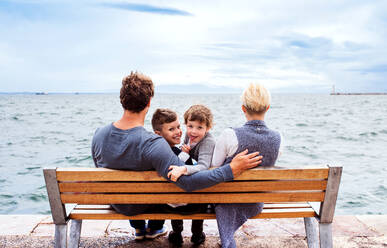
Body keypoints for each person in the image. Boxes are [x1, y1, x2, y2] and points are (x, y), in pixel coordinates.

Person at [91, 72, 263, 242]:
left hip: (116, 203)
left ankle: (146, 228)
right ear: (149, 102)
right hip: (142, 203)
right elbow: (188, 182)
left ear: (122, 99)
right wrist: (231, 169)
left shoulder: (98, 135)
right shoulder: (153, 143)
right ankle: (157, 227)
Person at [211, 83, 281, 248]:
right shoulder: (279, 138)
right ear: (268, 108)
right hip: (255, 202)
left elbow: (213, 167)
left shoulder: (229, 135)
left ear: (243, 108)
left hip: (226, 199)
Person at [166, 105, 215, 246]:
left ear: (208, 128)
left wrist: (183, 169)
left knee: (191, 189)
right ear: (186, 124)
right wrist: (185, 153)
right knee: (176, 188)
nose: (193, 131)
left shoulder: (208, 142)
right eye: (190, 126)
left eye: (199, 127)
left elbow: (203, 166)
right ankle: (178, 232)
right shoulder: (189, 135)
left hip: (201, 186)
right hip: (191, 188)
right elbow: (187, 156)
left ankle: (197, 233)